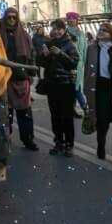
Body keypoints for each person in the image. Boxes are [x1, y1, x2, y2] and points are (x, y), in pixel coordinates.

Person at [83, 22, 112, 167]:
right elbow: (87, 69)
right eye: (100, 30)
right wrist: (86, 87)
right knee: (101, 122)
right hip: (100, 88)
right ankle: (100, 147)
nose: (101, 32)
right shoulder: (92, 48)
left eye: (105, 30)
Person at [37, 19, 80, 157]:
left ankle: (69, 144)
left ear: (64, 29)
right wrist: (44, 56)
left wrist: (60, 54)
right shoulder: (48, 44)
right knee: (55, 116)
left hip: (66, 85)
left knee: (67, 116)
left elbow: (73, 63)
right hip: (52, 84)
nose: (56, 32)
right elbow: (41, 63)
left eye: (58, 29)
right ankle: (58, 142)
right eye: (53, 29)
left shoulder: (70, 44)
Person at [0, 8, 38, 151]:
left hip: (22, 79)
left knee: (25, 113)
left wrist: (31, 73)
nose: (11, 20)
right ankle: (5, 140)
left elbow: (32, 54)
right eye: (9, 18)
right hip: (5, 80)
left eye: (14, 18)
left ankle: (28, 140)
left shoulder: (25, 36)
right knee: (5, 114)